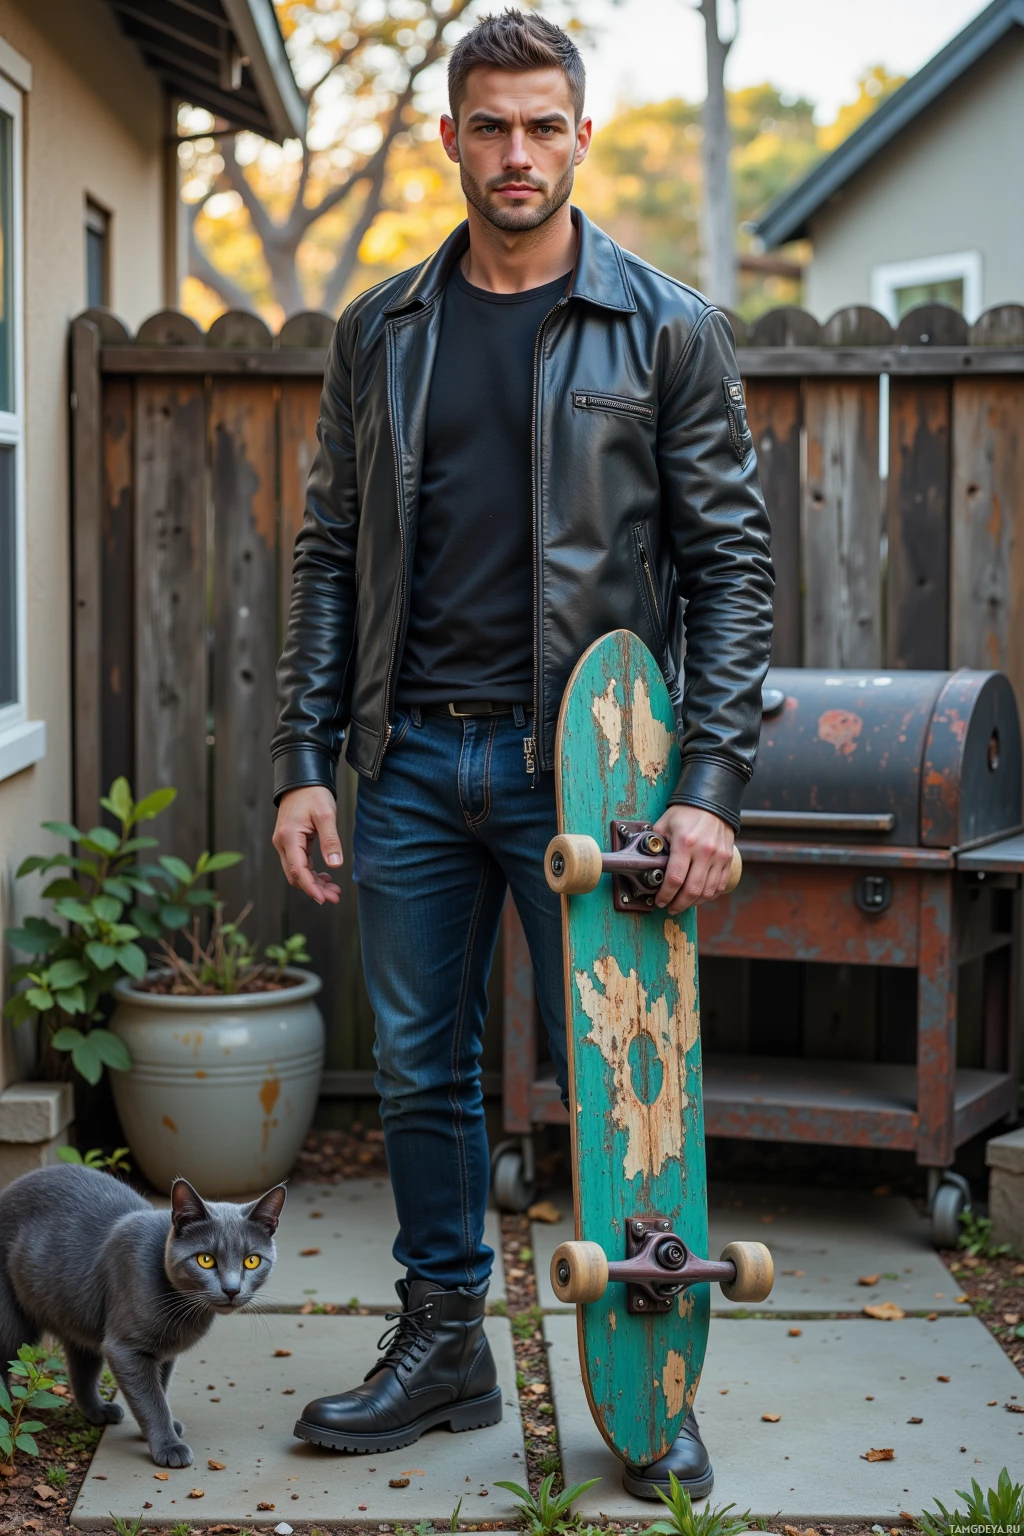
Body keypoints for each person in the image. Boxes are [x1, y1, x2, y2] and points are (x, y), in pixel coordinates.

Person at [271, 8, 773, 1500]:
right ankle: (445, 1343)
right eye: (489, 125)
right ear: (449, 137)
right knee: (419, 1068)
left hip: (597, 781)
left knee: (628, 1073)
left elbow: (732, 571)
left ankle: (652, 1375)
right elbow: (328, 553)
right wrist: (304, 756)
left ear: (581, 137)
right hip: (410, 763)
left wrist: (708, 788)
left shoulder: (666, 328)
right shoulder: (381, 331)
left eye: (543, 125)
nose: (516, 152)